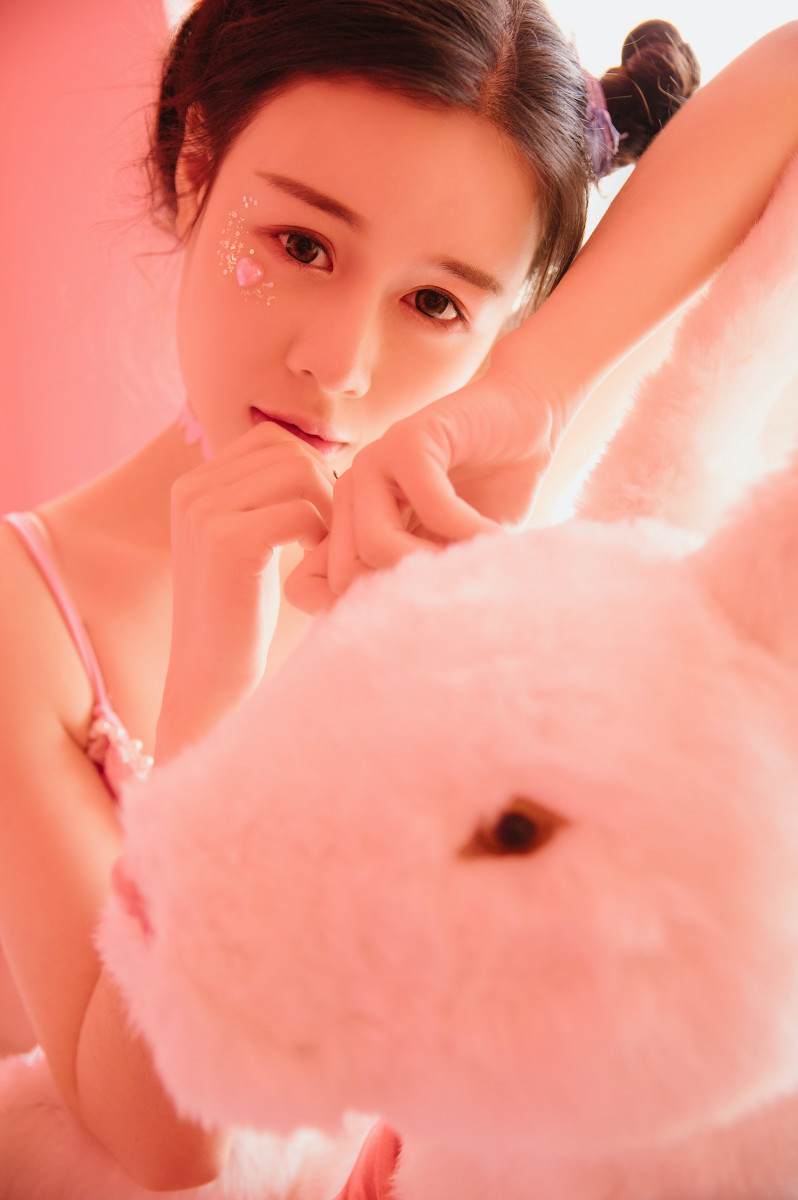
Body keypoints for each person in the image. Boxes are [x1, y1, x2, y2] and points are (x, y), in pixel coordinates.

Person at [0, 0, 791, 1192]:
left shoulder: (477, 540)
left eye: (436, 305)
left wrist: (536, 384)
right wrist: (216, 686)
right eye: (301, 245)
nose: (343, 363)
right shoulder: (25, 611)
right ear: (198, 160)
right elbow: (169, 1140)